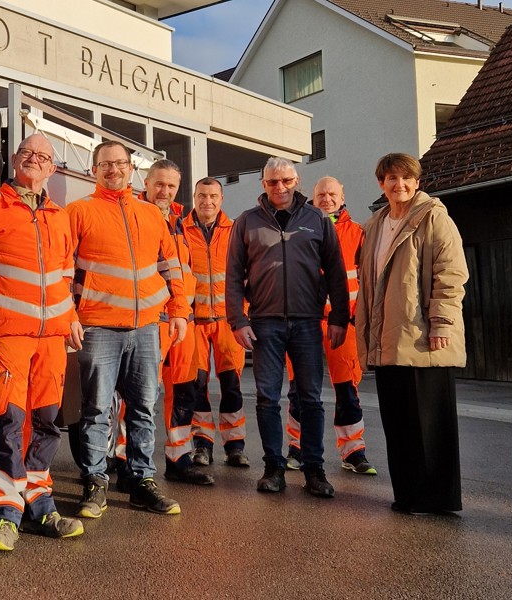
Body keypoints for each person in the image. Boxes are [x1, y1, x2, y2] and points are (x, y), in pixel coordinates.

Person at [0, 133, 83, 551]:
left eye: (43, 157)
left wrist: (71, 317)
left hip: (52, 339)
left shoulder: (59, 217)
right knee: (6, 421)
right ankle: (6, 514)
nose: (34, 160)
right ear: (14, 159)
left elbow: (64, 278)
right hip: (10, 335)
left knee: (45, 421)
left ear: (52, 169)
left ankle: (41, 504)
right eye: (28, 153)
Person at [66, 141, 190, 518]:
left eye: (120, 164)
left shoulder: (152, 215)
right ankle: (95, 482)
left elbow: (171, 265)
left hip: (146, 328)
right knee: (96, 410)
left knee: (143, 409)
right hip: (98, 327)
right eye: (106, 164)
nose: (114, 170)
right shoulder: (78, 212)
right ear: (94, 170)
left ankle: (141, 482)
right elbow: (61, 270)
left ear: (131, 169)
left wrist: (180, 311)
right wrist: (68, 315)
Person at [226, 157, 349, 498]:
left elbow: (336, 272)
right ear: (263, 184)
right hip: (264, 323)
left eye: (285, 181)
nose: (279, 187)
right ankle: (273, 468)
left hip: (308, 323)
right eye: (271, 182)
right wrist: (237, 319)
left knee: (310, 398)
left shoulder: (318, 219)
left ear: (297, 181)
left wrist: (339, 318)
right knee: (267, 399)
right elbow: (234, 275)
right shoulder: (246, 222)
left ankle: (314, 470)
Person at [355, 153, 468, 515]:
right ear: (381, 184)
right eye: (391, 178)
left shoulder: (434, 217)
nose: (398, 184)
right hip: (388, 339)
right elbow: (370, 284)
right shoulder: (374, 225)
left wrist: (441, 324)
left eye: (406, 178)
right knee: (398, 422)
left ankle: (438, 498)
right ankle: (408, 495)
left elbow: (450, 274)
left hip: (423, 336)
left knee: (429, 423)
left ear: (416, 181)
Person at [122, 160, 213, 486]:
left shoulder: (179, 222)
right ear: (145, 183)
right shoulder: (131, 214)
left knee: (185, 390)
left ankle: (179, 458)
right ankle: (123, 463)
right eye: (159, 184)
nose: (165, 191)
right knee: (137, 395)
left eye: (171, 186)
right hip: (149, 321)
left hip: (181, 319)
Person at [285, 177, 376, 475]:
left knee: (347, 388)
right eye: (321, 194)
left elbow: (370, 281)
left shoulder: (359, 234)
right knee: (300, 391)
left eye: (332, 193)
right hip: (305, 324)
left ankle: (353, 452)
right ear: (313, 198)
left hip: (345, 322)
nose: (326, 198)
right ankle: (296, 450)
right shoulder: (298, 230)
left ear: (342, 195)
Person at [183, 177, 249, 470]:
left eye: (212, 196)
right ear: (194, 197)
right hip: (195, 321)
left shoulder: (236, 230)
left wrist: (245, 314)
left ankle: (235, 447)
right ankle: (202, 445)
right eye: (201, 196)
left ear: (221, 199)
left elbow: (250, 274)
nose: (206, 201)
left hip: (228, 320)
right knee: (197, 386)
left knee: (232, 385)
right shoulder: (180, 230)